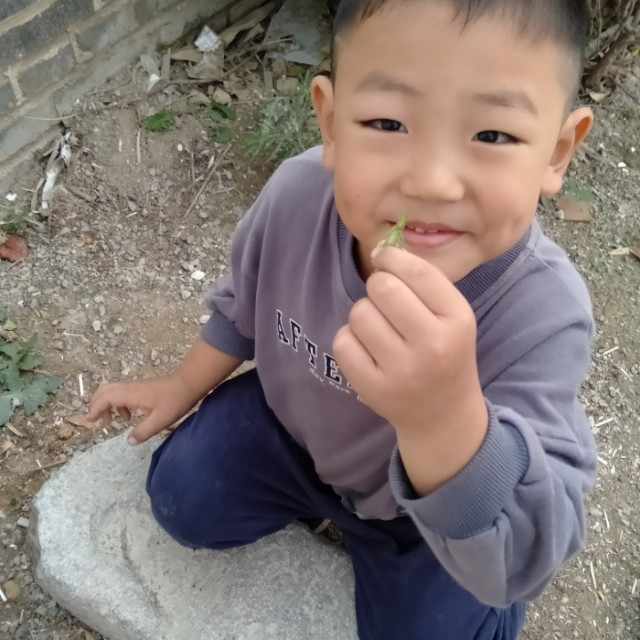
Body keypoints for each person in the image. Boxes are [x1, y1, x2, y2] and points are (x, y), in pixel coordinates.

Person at [86, 1, 598, 638]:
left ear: (556, 152)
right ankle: (318, 504)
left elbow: (525, 556)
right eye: (388, 122)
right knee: (180, 497)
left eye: (492, 135)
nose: (432, 182)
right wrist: (182, 384)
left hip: (424, 525)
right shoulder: (297, 195)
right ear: (330, 123)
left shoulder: (544, 314)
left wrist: (444, 421)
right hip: (294, 438)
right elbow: (245, 301)